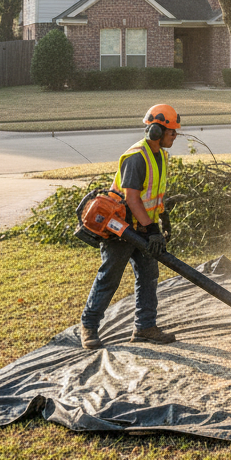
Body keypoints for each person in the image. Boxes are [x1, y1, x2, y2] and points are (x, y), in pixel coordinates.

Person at [80, 104, 180, 350]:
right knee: (109, 278)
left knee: (148, 276)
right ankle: (89, 326)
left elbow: (153, 193)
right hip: (120, 228)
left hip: (143, 226)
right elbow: (133, 198)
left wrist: (162, 218)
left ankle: (145, 327)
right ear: (156, 131)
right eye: (172, 132)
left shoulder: (160, 155)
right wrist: (152, 229)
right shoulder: (137, 157)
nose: (175, 136)